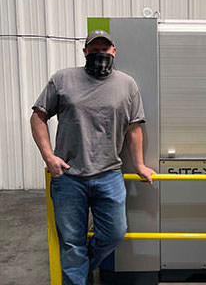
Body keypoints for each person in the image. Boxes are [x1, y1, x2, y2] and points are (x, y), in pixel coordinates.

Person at [30, 30, 155, 285]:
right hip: (68, 178)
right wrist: (48, 156)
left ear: (114, 51)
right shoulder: (63, 79)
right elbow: (38, 116)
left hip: (109, 174)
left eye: (104, 49)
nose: (100, 54)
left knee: (114, 234)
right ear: (85, 52)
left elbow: (134, 128)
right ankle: (77, 273)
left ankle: (80, 264)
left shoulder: (127, 84)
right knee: (71, 240)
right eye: (94, 49)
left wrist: (140, 164)